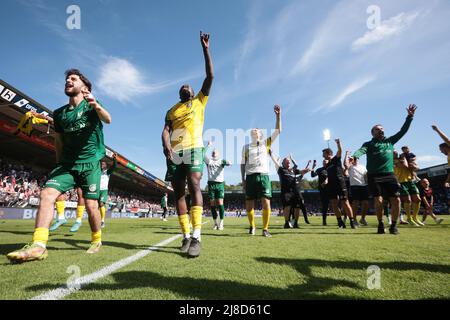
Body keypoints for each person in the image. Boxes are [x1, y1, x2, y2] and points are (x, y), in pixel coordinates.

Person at [7, 69, 112, 262]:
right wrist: (59, 164)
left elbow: (108, 119)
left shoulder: (92, 106)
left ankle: (96, 239)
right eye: (67, 79)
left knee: (91, 205)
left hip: (90, 164)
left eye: (73, 79)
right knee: (46, 194)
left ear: (85, 87)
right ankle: (39, 245)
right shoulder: (60, 114)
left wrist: (96, 104)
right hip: (67, 165)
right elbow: (59, 141)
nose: (68, 80)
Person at [161, 31, 213, 258]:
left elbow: (210, 76)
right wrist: (166, 146)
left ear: (193, 93)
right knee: (178, 194)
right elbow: (165, 130)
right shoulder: (172, 110)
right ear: (179, 93)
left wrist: (205, 49)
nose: (186, 87)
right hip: (175, 153)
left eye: (188, 87)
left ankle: (197, 237)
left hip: (193, 149)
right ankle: (185, 236)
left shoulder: (199, 101)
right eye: (182, 87)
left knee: (195, 185)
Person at [353, 104, 417, 235]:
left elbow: (402, 131)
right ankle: (381, 224)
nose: (380, 130)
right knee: (379, 200)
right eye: (377, 129)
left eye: (381, 128)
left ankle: (393, 226)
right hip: (374, 175)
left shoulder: (390, 141)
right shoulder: (369, 144)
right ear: (373, 133)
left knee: (396, 200)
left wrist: (409, 117)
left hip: (389, 175)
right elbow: (361, 150)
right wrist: (355, 156)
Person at [241, 105, 281, 237]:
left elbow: (278, 130)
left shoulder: (266, 143)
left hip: (264, 176)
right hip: (250, 177)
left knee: (266, 203)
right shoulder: (245, 147)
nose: (254, 131)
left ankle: (265, 229)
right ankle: (252, 226)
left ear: (260, 134)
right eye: (252, 130)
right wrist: (243, 179)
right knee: (249, 206)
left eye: (256, 130)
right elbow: (242, 164)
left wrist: (278, 115)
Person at [270, 151, 310, 229]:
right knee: (287, 207)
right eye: (287, 162)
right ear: (283, 163)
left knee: (297, 207)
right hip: (286, 192)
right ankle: (286, 223)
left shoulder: (293, 171)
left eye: (289, 162)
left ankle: (295, 223)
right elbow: (275, 162)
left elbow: (301, 171)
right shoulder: (281, 170)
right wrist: (271, 154)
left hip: (295, 192)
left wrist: (306, 170)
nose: (289, 163)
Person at [322, 139, 356, 229]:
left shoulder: (336, 159)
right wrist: (326, 181)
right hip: (331, 186)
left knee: (345, 202)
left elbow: (339, 151)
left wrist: (338, 144)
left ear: (328, 153)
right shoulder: (327, 165)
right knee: (333, 204)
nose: (322, 156)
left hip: (340, 183)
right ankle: (340, 222)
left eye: (324, 154)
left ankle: (352, 222)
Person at [204, 141, 231, 230]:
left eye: (215, 152)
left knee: (220, 203)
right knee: (212, 204)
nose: (214, 153)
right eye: (213, 152)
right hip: (211, 184)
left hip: (219, 184)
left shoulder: (221, 161)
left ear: (218, 154)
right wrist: (208, 146)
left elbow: (228, 163)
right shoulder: (209, 161)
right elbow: (202, 154)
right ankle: (215, 223)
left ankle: (221, 223)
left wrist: (228, 162)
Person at [394, 150, 423, 226]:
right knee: (408, 200)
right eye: (393, 152)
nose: (395, 153)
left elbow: (417, 168)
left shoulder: (404, 159)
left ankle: (415, 217)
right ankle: (409, 218)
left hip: (410, 181)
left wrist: (414, 166)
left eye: (396, 152)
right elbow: (404, 166)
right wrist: (405, 159)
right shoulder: (392, 161)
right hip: (401, 182)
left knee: (418, 199)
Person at [344, 152, 369, 226]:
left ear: (358, 159)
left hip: (364, 185)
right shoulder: (350, 166)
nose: (354, 159)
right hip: (354, 186)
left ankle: (362, 219)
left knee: (366, 203)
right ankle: (354, 219)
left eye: (356, 158)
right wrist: (347, 156)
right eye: (353, 158)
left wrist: (368, 183)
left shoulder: (363, 166)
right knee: (356, 203)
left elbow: (366, 176)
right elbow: (345, 165)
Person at [432, 125, 450, 212]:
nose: (441, 151)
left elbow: (447, 140)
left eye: (441, 149)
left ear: (445, 147)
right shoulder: (448, 157)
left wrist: (437, 130)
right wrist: (447, 180)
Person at [98, 154, 117, 228]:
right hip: (96, 190)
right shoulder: (97, 171)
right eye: (101, 164)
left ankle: (102, 221)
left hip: (103, 190)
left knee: (101, 203)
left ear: (106, 165)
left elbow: (114, 166)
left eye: (103, 164)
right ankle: (97, 219)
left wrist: (114, 159)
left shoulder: (107, 172)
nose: (102, 165)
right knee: (96, 206)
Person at [311, 159, 329, 225]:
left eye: (326, 161)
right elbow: (312, 175)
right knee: (325, 206)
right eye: (323, 161)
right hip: (323, 190)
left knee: (335, 204)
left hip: (332, 189)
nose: (324, 162)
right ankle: (324, 221)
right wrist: (313, 167)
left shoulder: (331, 169)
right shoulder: (319, 169)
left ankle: (341, 219)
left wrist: (327, 180)